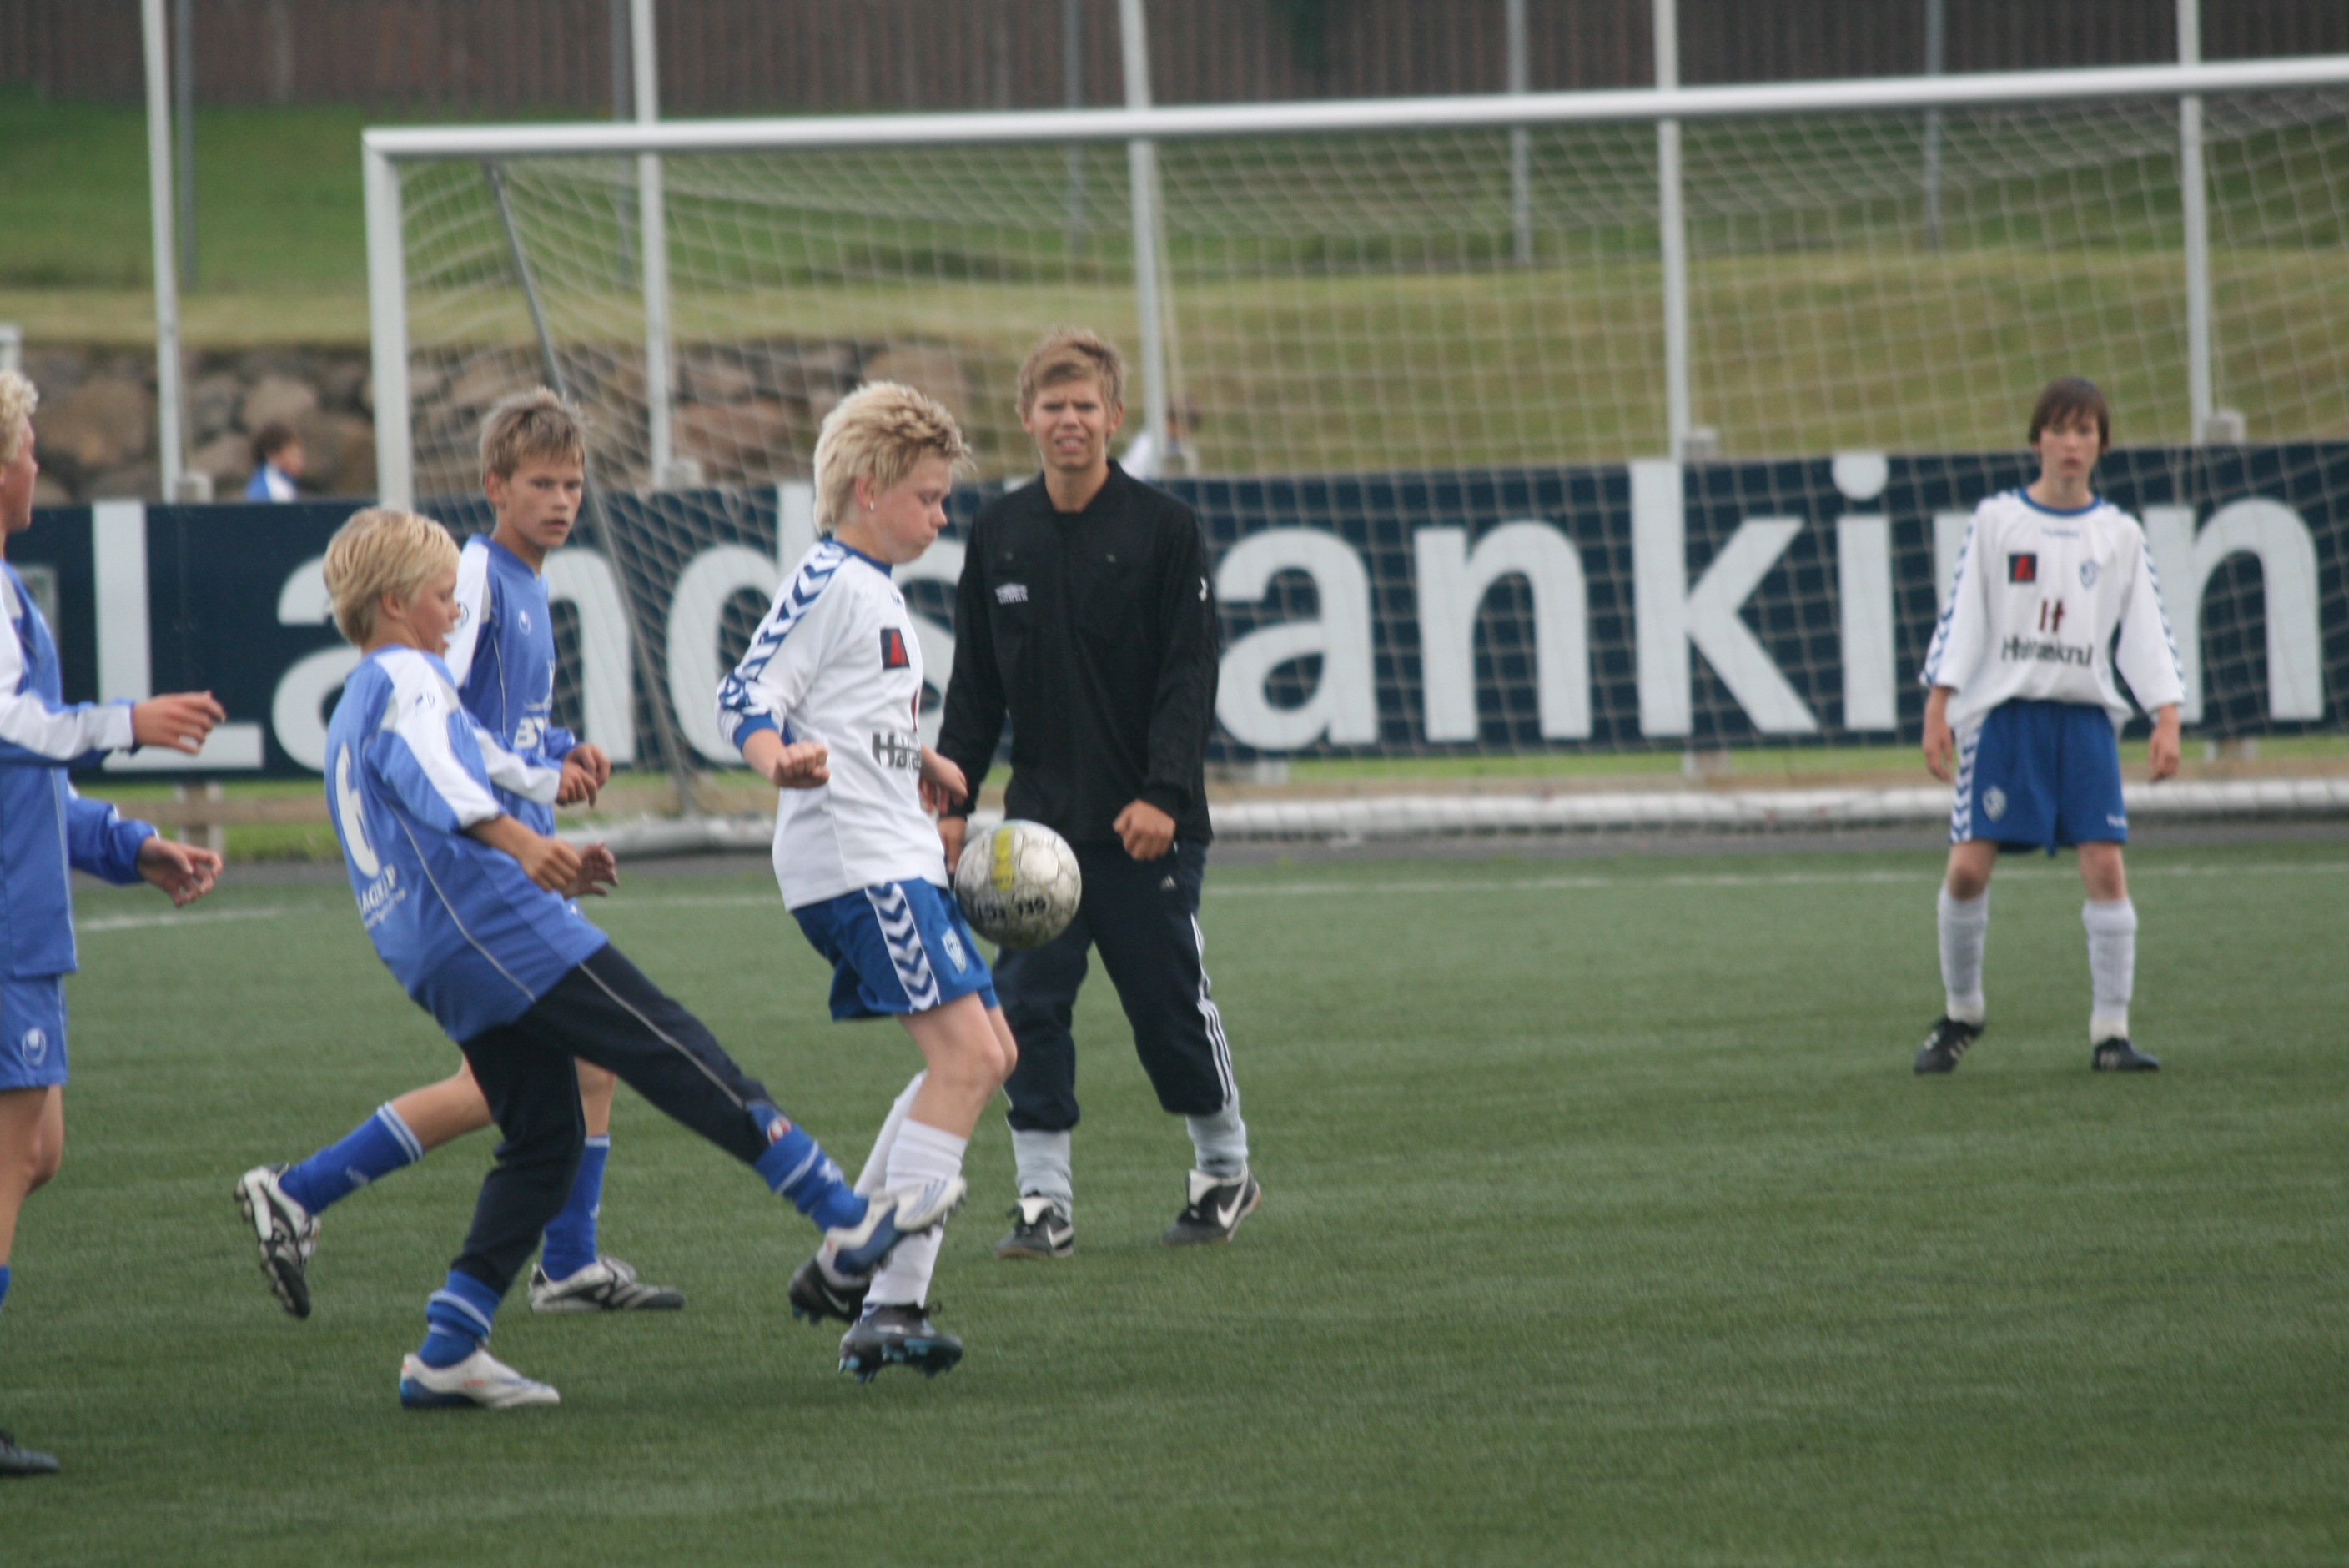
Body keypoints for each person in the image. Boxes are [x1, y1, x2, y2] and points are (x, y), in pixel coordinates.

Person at [314, 505, 957, 1410]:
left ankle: (448, 1346)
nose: (454, 611)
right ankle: (844, 1219)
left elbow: (469, 757)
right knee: (676, 1050)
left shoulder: (360, 695)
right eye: (441, 596)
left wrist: (546, 778)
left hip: (429, 943)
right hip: (494, 926)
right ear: (392, 601)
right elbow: (443, 779)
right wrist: (528, 845)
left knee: (546, 1138)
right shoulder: (409, 674)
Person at [238, 390, 669, 1320]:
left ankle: (564, 1261)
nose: (561, 500)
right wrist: (522, 803)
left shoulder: (525, 581)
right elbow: (441, 711)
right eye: (541, 484)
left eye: (572, 484)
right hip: (490, 867)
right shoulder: (473, 576)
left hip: (511, 854)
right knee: (522, 1080)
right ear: (494, 486)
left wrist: (559, 750)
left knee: (573, 1069)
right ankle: (305, 1191)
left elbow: (492, 719)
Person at [934, 328, 1257, 1259]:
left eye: (1085, 405)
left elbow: (1189, 675)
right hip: (1038, 833)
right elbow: (975, 684)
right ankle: (1043, 1202)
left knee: (1166, 1005)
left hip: (1147, 827)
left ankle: (1224, 1169)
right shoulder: (998, 532)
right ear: (1026, 417)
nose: (1068, 420)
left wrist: (1164, 793)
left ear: (1114, 417)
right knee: (1026, 1006)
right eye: (1053, 405)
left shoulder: (1165, 528)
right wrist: (951, 797)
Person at [717, 381, 1017, 1380]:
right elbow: (746, 692)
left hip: (893, 849)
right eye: (927, 498)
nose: (940, 516)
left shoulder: (873, 587)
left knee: (992, 1052)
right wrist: (778, 759)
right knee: (966, 1059)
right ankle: (884, 1294)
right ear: (865, 489)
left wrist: (912, 757)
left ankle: (854, 1262)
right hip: (859, 864)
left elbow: (847, 709)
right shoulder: (830, 581)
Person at [0, 369, 226, 1474]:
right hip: (5, 930)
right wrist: (127, 721)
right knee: (11, 1157)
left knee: (37, 1151)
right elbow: (16, 732)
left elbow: (29, 776)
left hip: (24, 919)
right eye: (26, 445)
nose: (37, 462)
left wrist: (128, 846)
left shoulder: (9, 592)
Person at [1914, 376, 2184, 1074]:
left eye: (2085, 431)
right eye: (2059, 429)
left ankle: (2111, 1034)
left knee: (2105, 867)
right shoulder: (1998, 520)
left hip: (2085, 723)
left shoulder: (2119, 534)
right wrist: (1939, 705)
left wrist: (2167, 716)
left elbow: (2147, 632)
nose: (2071, 443)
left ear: (2101, 445)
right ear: (2036, 440)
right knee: (1967, 870)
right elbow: (1963, 616)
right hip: (2005, 721)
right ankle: (1962, 1013)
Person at [244, 422, 304, 502]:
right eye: (293, 455)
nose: (300, 462)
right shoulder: (276, 490)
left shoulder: (280, 482)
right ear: (272, 455)